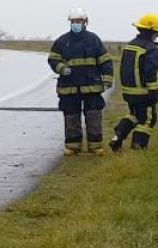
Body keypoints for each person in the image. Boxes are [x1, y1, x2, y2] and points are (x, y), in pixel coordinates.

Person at [47, 8, 114, 156]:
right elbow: (52, 58)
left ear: (85, 22)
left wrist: (108, 79)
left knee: (94, 117)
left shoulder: (93, 40)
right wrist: (61, 68)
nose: (75, 24)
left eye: (78, 21)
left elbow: (105, 60)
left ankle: (95, 147)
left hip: (91, 87)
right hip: (69, 88)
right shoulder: (62, 41)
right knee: (71, 117)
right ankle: (72, 147)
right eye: (73, 22)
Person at [109, 13, 158, 151]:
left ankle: (117, 137)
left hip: (129, 92)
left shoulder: (130, 46)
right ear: (150, 31)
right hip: (144, 93)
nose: (157, 35)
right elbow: (150, 71)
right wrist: (153, 91)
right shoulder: (150, 49)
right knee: (148, 120)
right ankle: (138, 147)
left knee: (134, 115)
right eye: (156, 32)